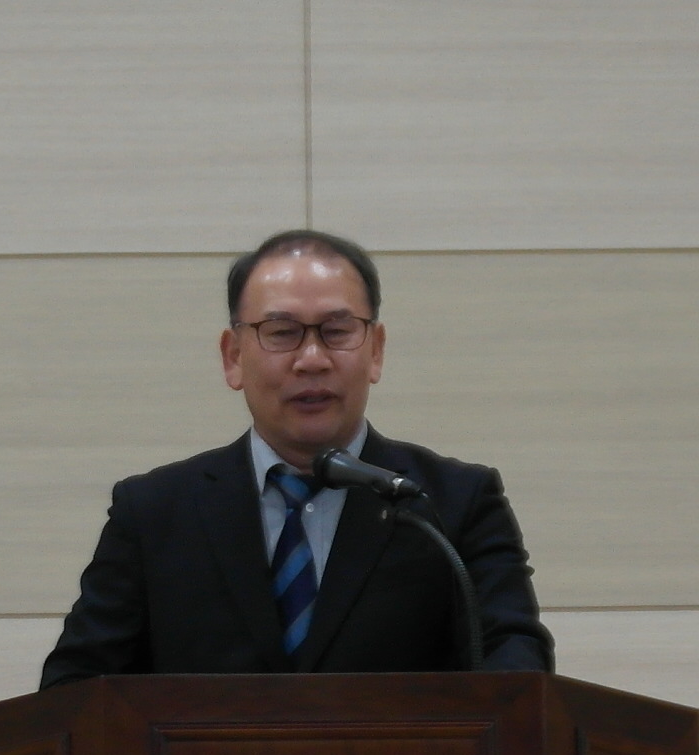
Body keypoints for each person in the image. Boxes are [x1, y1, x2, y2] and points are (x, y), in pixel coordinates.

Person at [41, 229, 552, 686]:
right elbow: (75, 691)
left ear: (375, 350)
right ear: (233, 356)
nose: (312, 359)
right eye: (282, 332)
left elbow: (518, 677)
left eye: (337, 331)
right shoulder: (154, 513)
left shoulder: (451, 505)